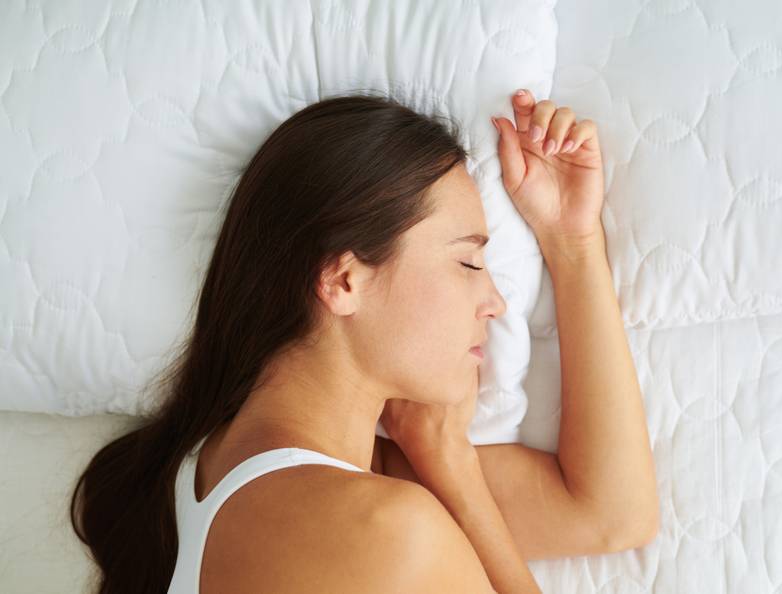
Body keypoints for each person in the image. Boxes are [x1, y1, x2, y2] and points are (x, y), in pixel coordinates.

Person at [70, 88, 651, 594]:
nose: (495, 303)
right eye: (469, 261)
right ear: (344, 280)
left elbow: (611, 514)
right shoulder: (385, 530)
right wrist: (455, 474)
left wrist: (572, 244)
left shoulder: (211, 463)